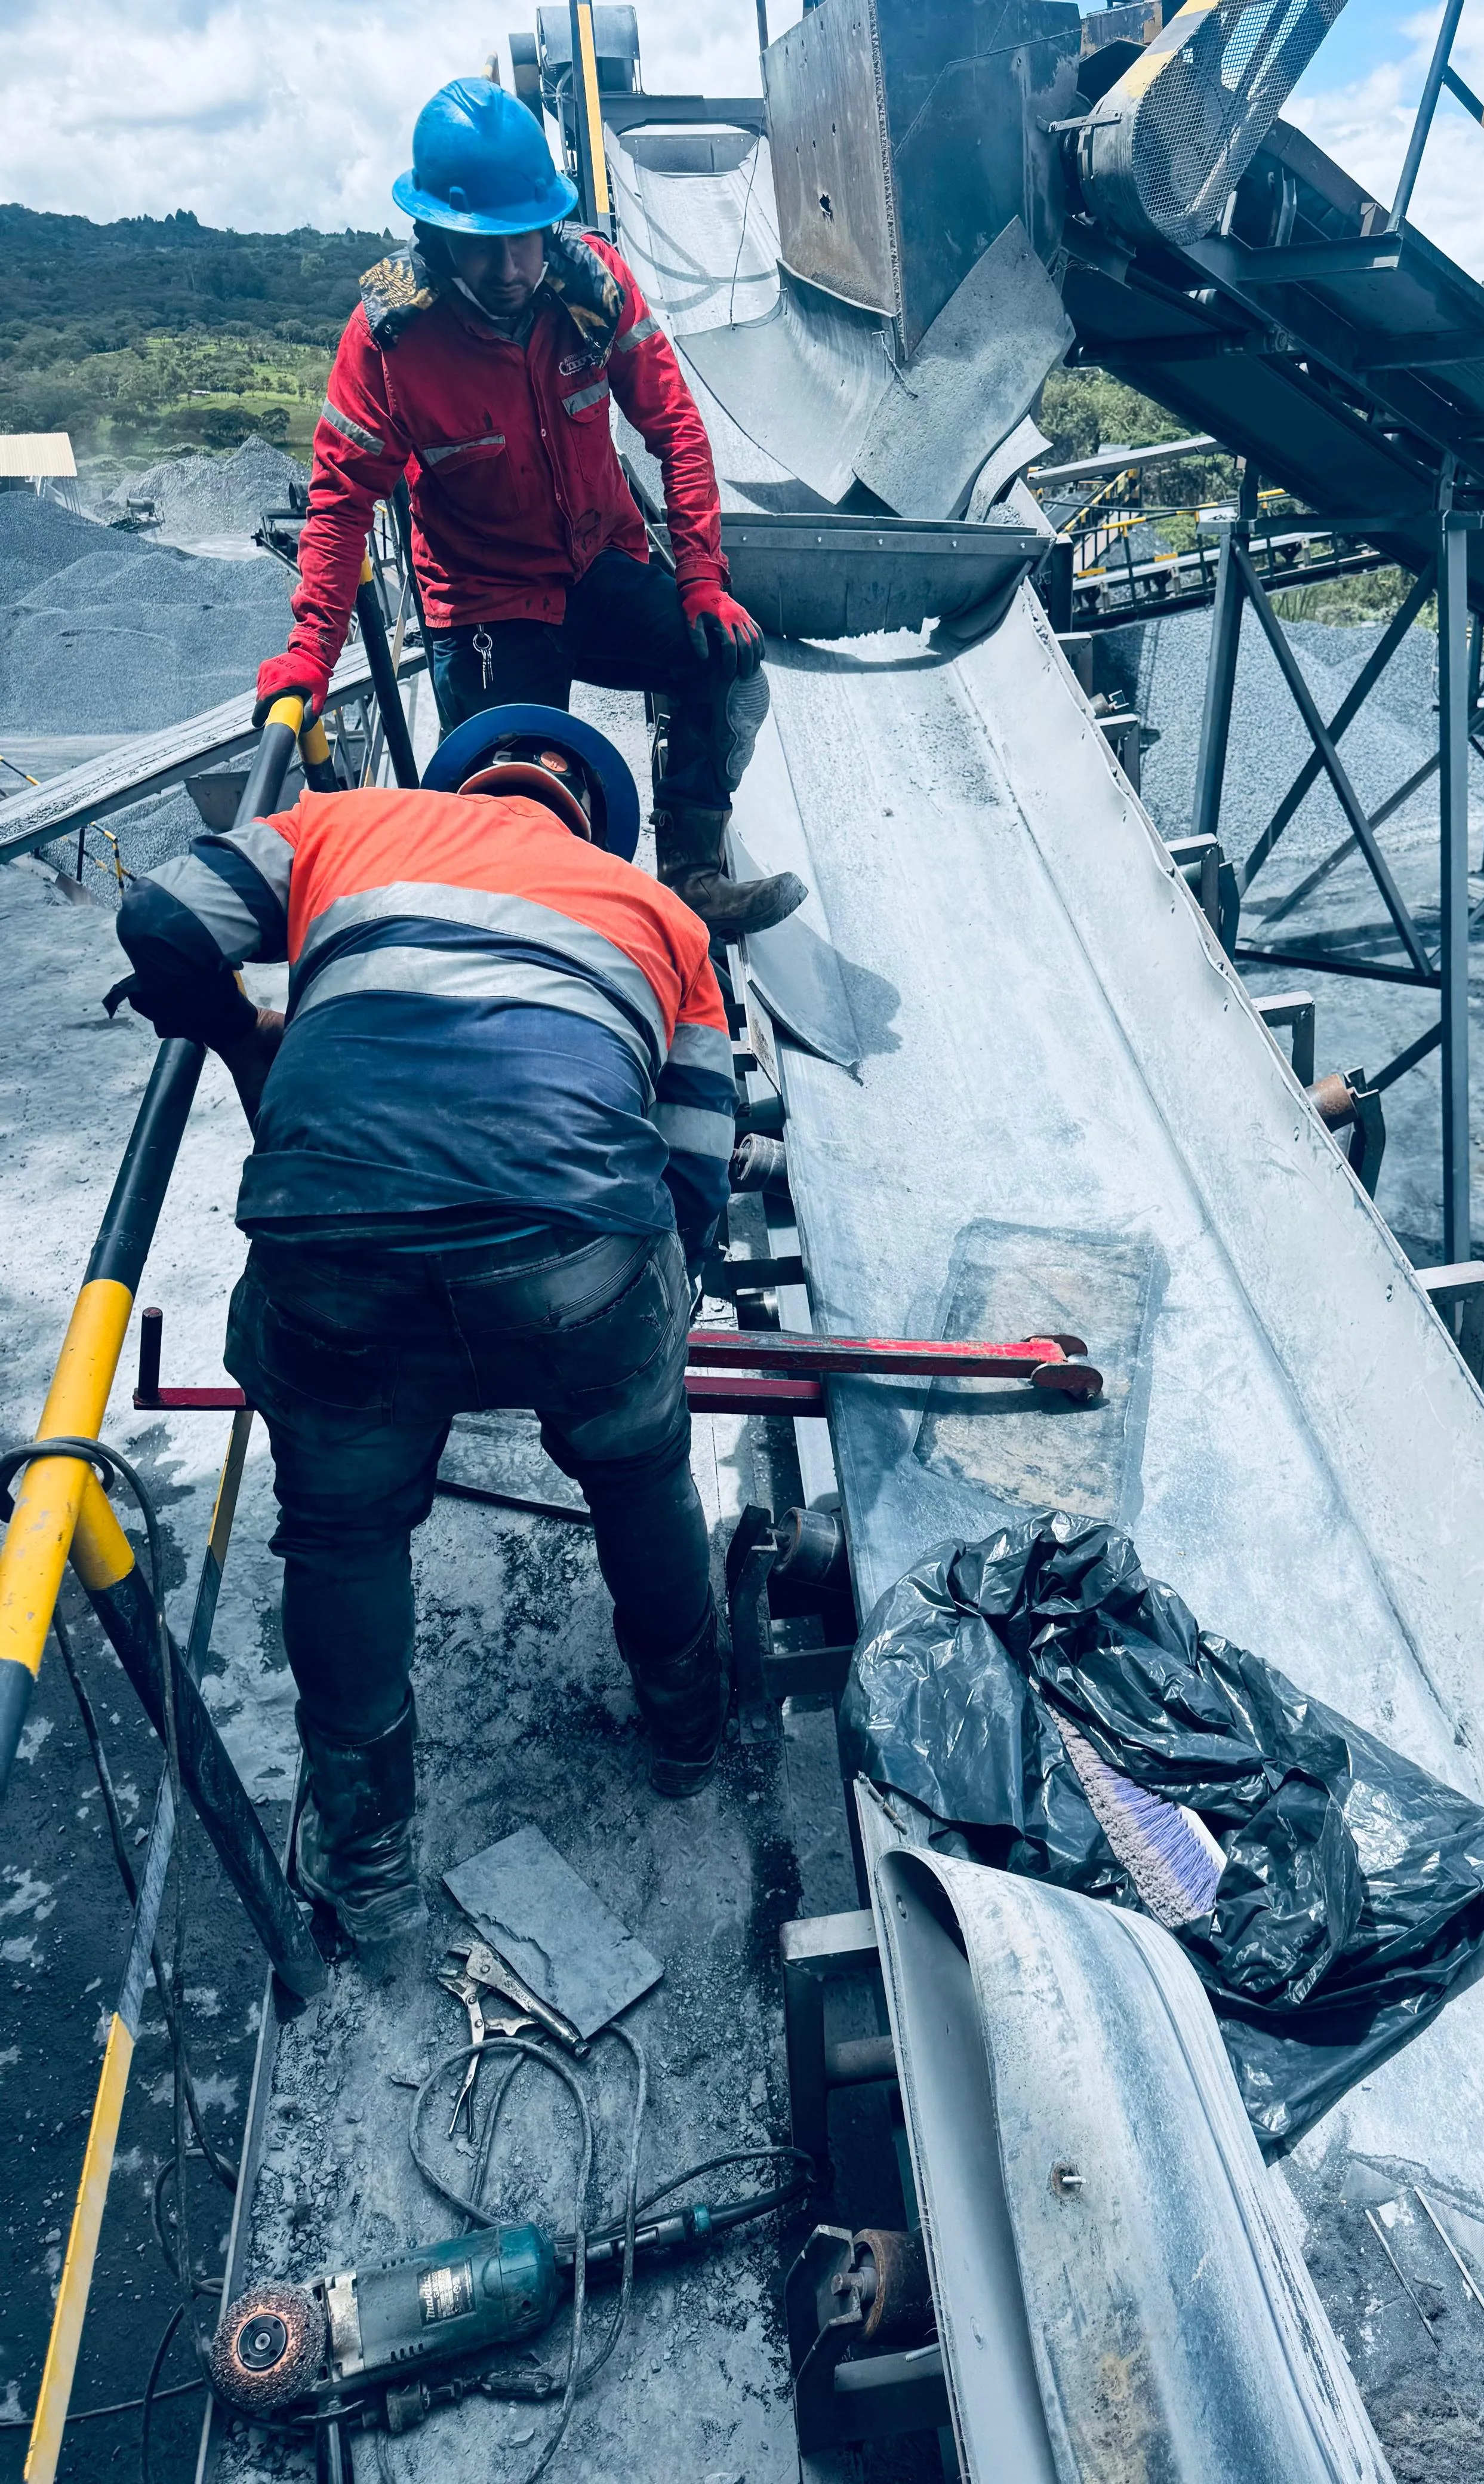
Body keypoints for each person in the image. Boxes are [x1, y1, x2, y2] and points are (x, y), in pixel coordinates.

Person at [115, 706, 737, 1962]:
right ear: (594, 823)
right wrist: (631, 1319)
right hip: (573, 1250)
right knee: (635, 1464)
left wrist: (246, 1037)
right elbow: (699, 1168)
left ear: (457, 782)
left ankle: (373, 1866)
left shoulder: (344, 823)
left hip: (333, 1243)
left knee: (342, 1530)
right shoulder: (661, 915)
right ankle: (687, 1737)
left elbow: (166, 921)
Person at [254, 76, 802, 939]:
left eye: (527, 240)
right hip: (486, 605)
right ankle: (545, 941)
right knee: (514, 803)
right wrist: (307, 658)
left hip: (597, 568)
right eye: (484, 247)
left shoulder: (592, 289)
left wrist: (700, 577)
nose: (513, 270)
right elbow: (339, 505)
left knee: (725, 668)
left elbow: (678, 431)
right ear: (434, 235)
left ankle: (692, 875)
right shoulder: (390, 343)